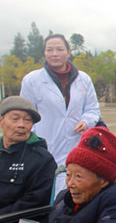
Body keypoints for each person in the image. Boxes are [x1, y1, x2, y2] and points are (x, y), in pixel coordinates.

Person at [20, 33, 101, 196]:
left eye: (59, 49)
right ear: (44, 53)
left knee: (73, 189)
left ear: (68, 52)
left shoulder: (83, 79)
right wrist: (35, 141)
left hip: (76, 143)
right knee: (45, 190)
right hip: (46, 145)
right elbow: (26, 115)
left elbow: (93, 109)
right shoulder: (32, 80)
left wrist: (86, 121)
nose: (54, 54)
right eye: (49, 50)